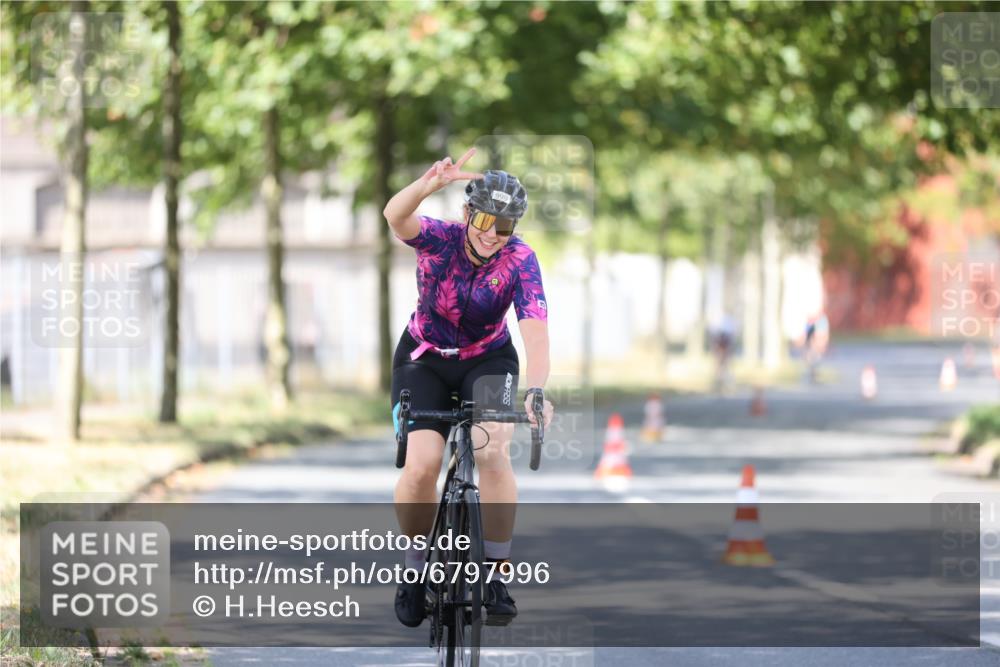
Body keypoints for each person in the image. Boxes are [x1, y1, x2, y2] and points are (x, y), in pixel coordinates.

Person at [383, 147, 554, 628]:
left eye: (505, 227)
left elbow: (535, 331)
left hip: (488, 359)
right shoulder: (440, 238)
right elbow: (394, 216)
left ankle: (495, 574)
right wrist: (426, 186)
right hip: (425, 360)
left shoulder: (520, 259)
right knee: (422, 467)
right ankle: (415, 572)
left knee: (492, 452)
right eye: (483, 220)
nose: (491, 235)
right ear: (466, 213)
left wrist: (536, 390)